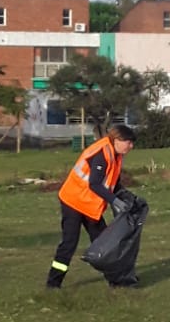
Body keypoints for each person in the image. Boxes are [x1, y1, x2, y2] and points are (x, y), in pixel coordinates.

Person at [46, 123, 137, 289]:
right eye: (129, 142)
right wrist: (114, 201)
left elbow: (112, 181)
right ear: (117, 140)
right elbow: (94, 184)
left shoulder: (115, 154)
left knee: (105, 243)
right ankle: (53, 284)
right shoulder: (102, 153)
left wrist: (125, 196)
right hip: (73, 202)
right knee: (69, 243)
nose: (131, 146)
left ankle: (116, 281)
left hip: (89, 205)